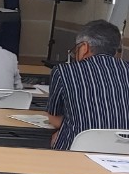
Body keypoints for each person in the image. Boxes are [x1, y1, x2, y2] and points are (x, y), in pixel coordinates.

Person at [47, 19, 129, 150]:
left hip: (76, 150)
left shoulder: (64, 71)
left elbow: (54, 118)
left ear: (84, 47)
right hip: (123, 153)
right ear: (116, 50)